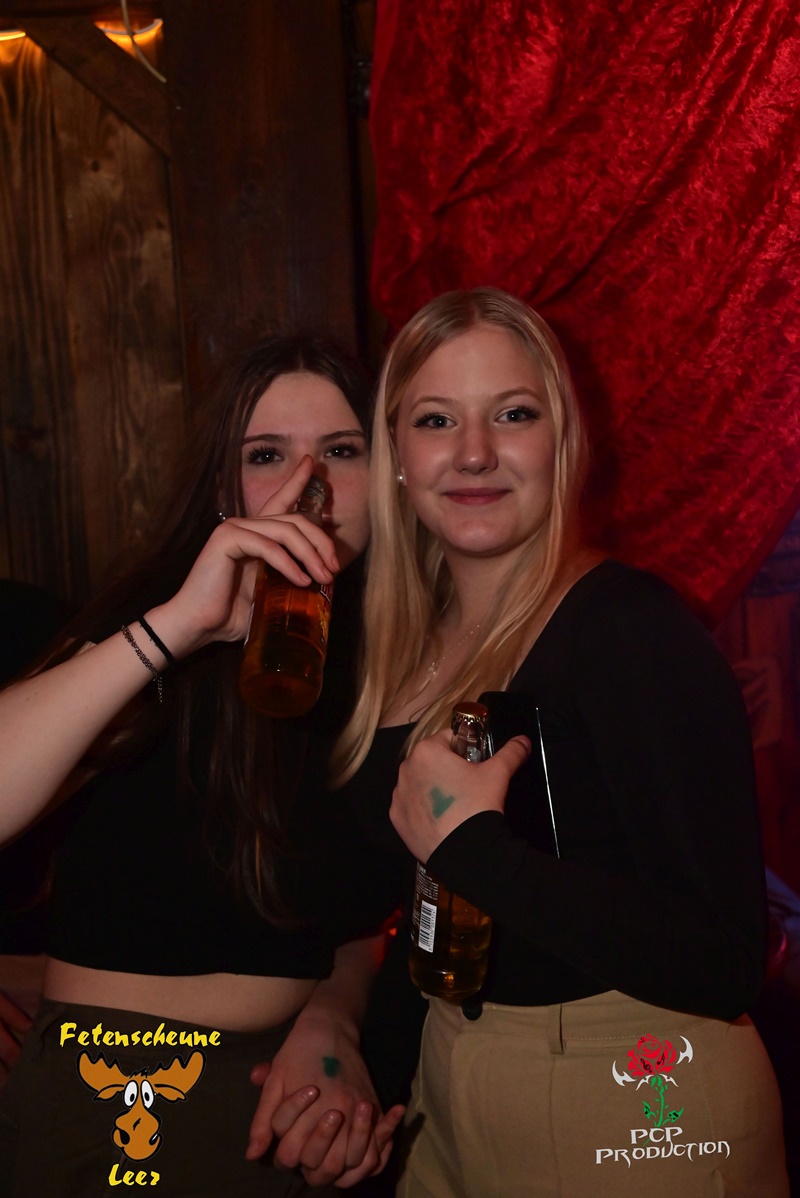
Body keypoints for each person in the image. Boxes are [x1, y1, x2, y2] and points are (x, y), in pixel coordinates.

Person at [333, 288, 789, 1197]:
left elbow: (726, 958)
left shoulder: (632, 632)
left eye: (513, 414)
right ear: (397, 459)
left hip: (634, 1085)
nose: (473, 452)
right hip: (450, 1078)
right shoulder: (392, 648)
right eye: (436, 420)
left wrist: (476, 852)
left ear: (563, 441)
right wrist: (342, 1045)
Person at [0, 334, 403, 1196]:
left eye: (341, 451)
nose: (309, 486)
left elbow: (362, 920)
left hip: (282, 1099)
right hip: (117, 1081)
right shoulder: (157, 622)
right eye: (267, 456)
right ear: (225, 487)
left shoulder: (392, 666)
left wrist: (334, 1019)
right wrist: (184, 625)